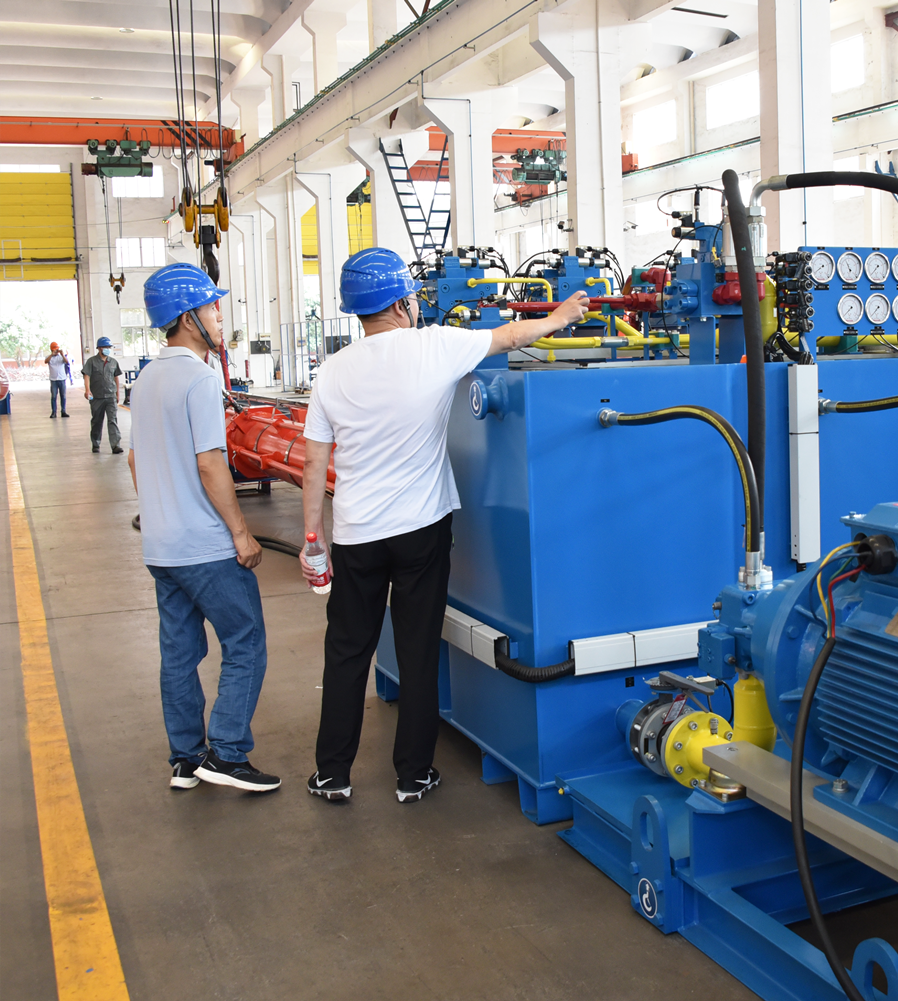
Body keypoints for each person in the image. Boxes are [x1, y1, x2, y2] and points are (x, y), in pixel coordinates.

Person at [300, 247, 588, 803]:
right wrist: (558, 317)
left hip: (357, 534)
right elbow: (508, 337)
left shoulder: (332, 370)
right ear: (402, 303)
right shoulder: (433, 346)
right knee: (417, 651)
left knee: (347, 653)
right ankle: (413, 775)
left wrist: (313, 541)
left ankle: (332, 773)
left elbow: (315, 462)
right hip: (420, 529)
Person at [131, 263, 279, 793]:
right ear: (187, 317)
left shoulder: (145, 379)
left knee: (179, 654)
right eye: (212, 308)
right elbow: (211, 463)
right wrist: (240, 532)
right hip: (204, 548)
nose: (219, 316)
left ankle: (187, 758)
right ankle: (228, 754)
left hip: (162, 548)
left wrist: (160, 509)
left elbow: (136, 460)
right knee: (246, 641)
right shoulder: (197, 378)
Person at [81, 336, 124, 454]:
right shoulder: (91, 362)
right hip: (97, 397)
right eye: (105, 347)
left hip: (111, 396)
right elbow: (86, 376)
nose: (107, 349)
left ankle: (115, 445)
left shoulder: (113, 362)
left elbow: (116, 378)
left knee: (112, 420)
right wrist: (87, 390)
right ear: (99, 348)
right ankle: (95, 444)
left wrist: (117, 394)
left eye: (109, 347)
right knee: (97, 421)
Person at [46, 342, 70, 418]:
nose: (56, 351)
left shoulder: (61, 357)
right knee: (53, 396)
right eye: (54, 350)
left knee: (63, 396)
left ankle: (63, 411)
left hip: (62, 379)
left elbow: (67, 362)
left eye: (57, 349)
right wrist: (52, 355)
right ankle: (54, 412)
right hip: (53, 380)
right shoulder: (49, 357)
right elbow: (46, 361)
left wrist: (62, 354)